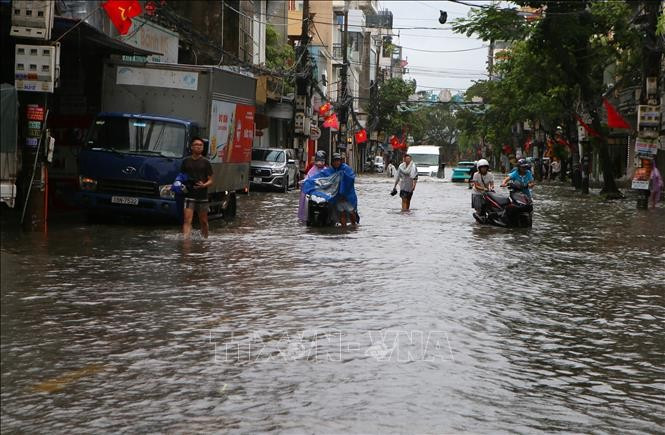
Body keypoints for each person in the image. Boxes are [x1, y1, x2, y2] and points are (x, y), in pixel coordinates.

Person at [181, 137, 213, 239]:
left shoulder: (206, 162)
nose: (198, 147)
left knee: (203, 221)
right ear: (191, 147)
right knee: (187, 220)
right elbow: (181, 176)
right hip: (189, 194)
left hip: (202, 195)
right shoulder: (186, 161)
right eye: (196, 145)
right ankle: (186, 241)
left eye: (201, 145)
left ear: (203, 148)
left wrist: (204, 185)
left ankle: (205, 238)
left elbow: (211, 180)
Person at [329, 153, 358, 226]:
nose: (337, 162)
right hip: (338, 196)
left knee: (351, 212)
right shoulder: (331, 170)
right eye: (335, 161)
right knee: (342, 213)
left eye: (338, 160)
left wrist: (344, 193)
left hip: (348, 196)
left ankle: (354, 226)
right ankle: (344, 228)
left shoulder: (346, 168)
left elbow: (351, 179)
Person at [298, 150, 327, 222]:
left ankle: (330, 218)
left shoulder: (326, 170)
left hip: (323, 192)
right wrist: (304, 182)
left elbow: (330, 179)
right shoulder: (312, 169)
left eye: (321, 161)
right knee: (305, 197)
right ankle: (305, 216)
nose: (319, 163)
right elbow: (308, 177)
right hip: (313, 192)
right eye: (318, 161)